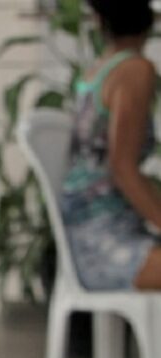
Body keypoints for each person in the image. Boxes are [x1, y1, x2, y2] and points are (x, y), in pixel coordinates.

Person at [61, 0, 161, 291]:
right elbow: (123, 168)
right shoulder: (135, 69)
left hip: (91, 237)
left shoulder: (100, 68)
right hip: (109, 243)